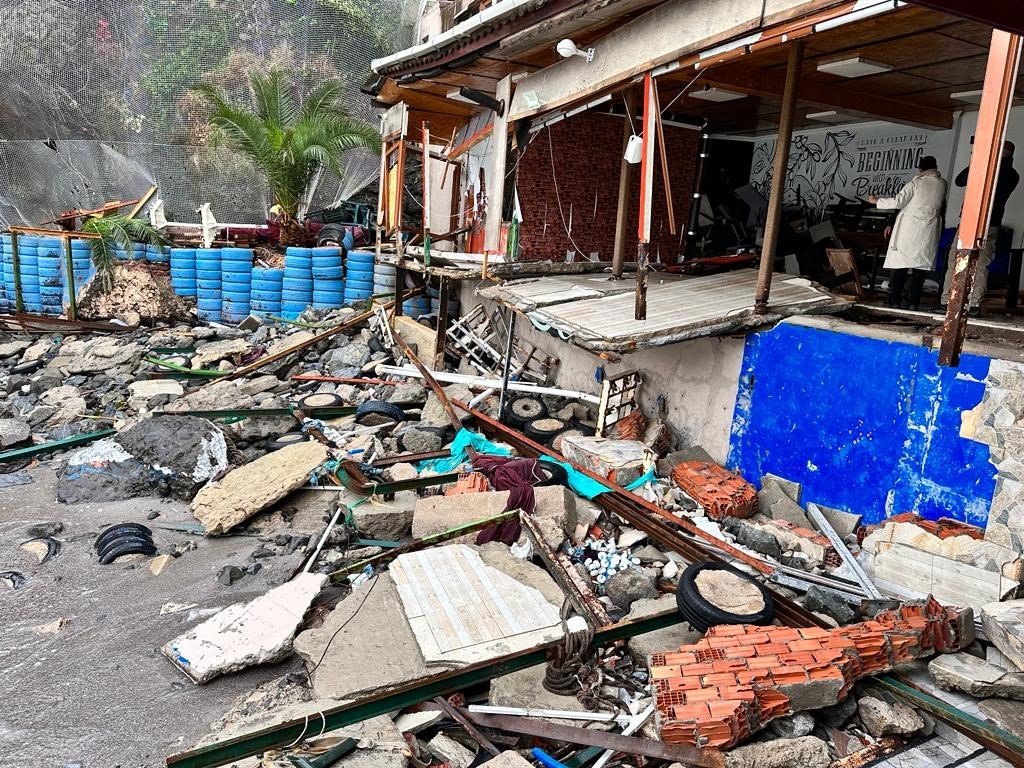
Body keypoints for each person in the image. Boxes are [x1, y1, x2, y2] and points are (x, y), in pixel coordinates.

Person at [940, 141, 1020, 316]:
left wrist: (977, 160)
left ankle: (947, 300)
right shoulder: (1013, 174)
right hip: (992, 222)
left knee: (956, 259)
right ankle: (974, 303)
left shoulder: (989, 168)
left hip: (972, 219)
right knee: (981, 263)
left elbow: (960, 180)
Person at [869, 155, 947, 310]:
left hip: (909, 229)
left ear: (920, 168)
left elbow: (898, 201)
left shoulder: (916, 183)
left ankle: (895, 300)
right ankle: (913, 302)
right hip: (929, 229)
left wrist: (876, 201)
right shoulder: (942, 184)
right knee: (920, 268)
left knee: (901, 265)